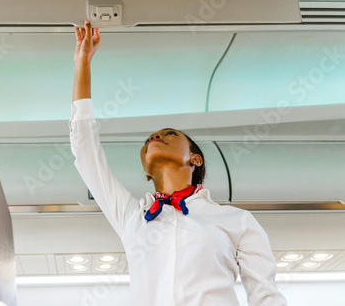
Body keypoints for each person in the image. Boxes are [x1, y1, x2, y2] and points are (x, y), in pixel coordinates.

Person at [69, 19, 287, 306]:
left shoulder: (237, 221)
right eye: (149, 140)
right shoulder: (132, 218)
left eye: (168, 134)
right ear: (146, 172)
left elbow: (266, 297)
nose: (156, 136)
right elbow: (85, 151)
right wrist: (82, 63)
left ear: (194, 158)